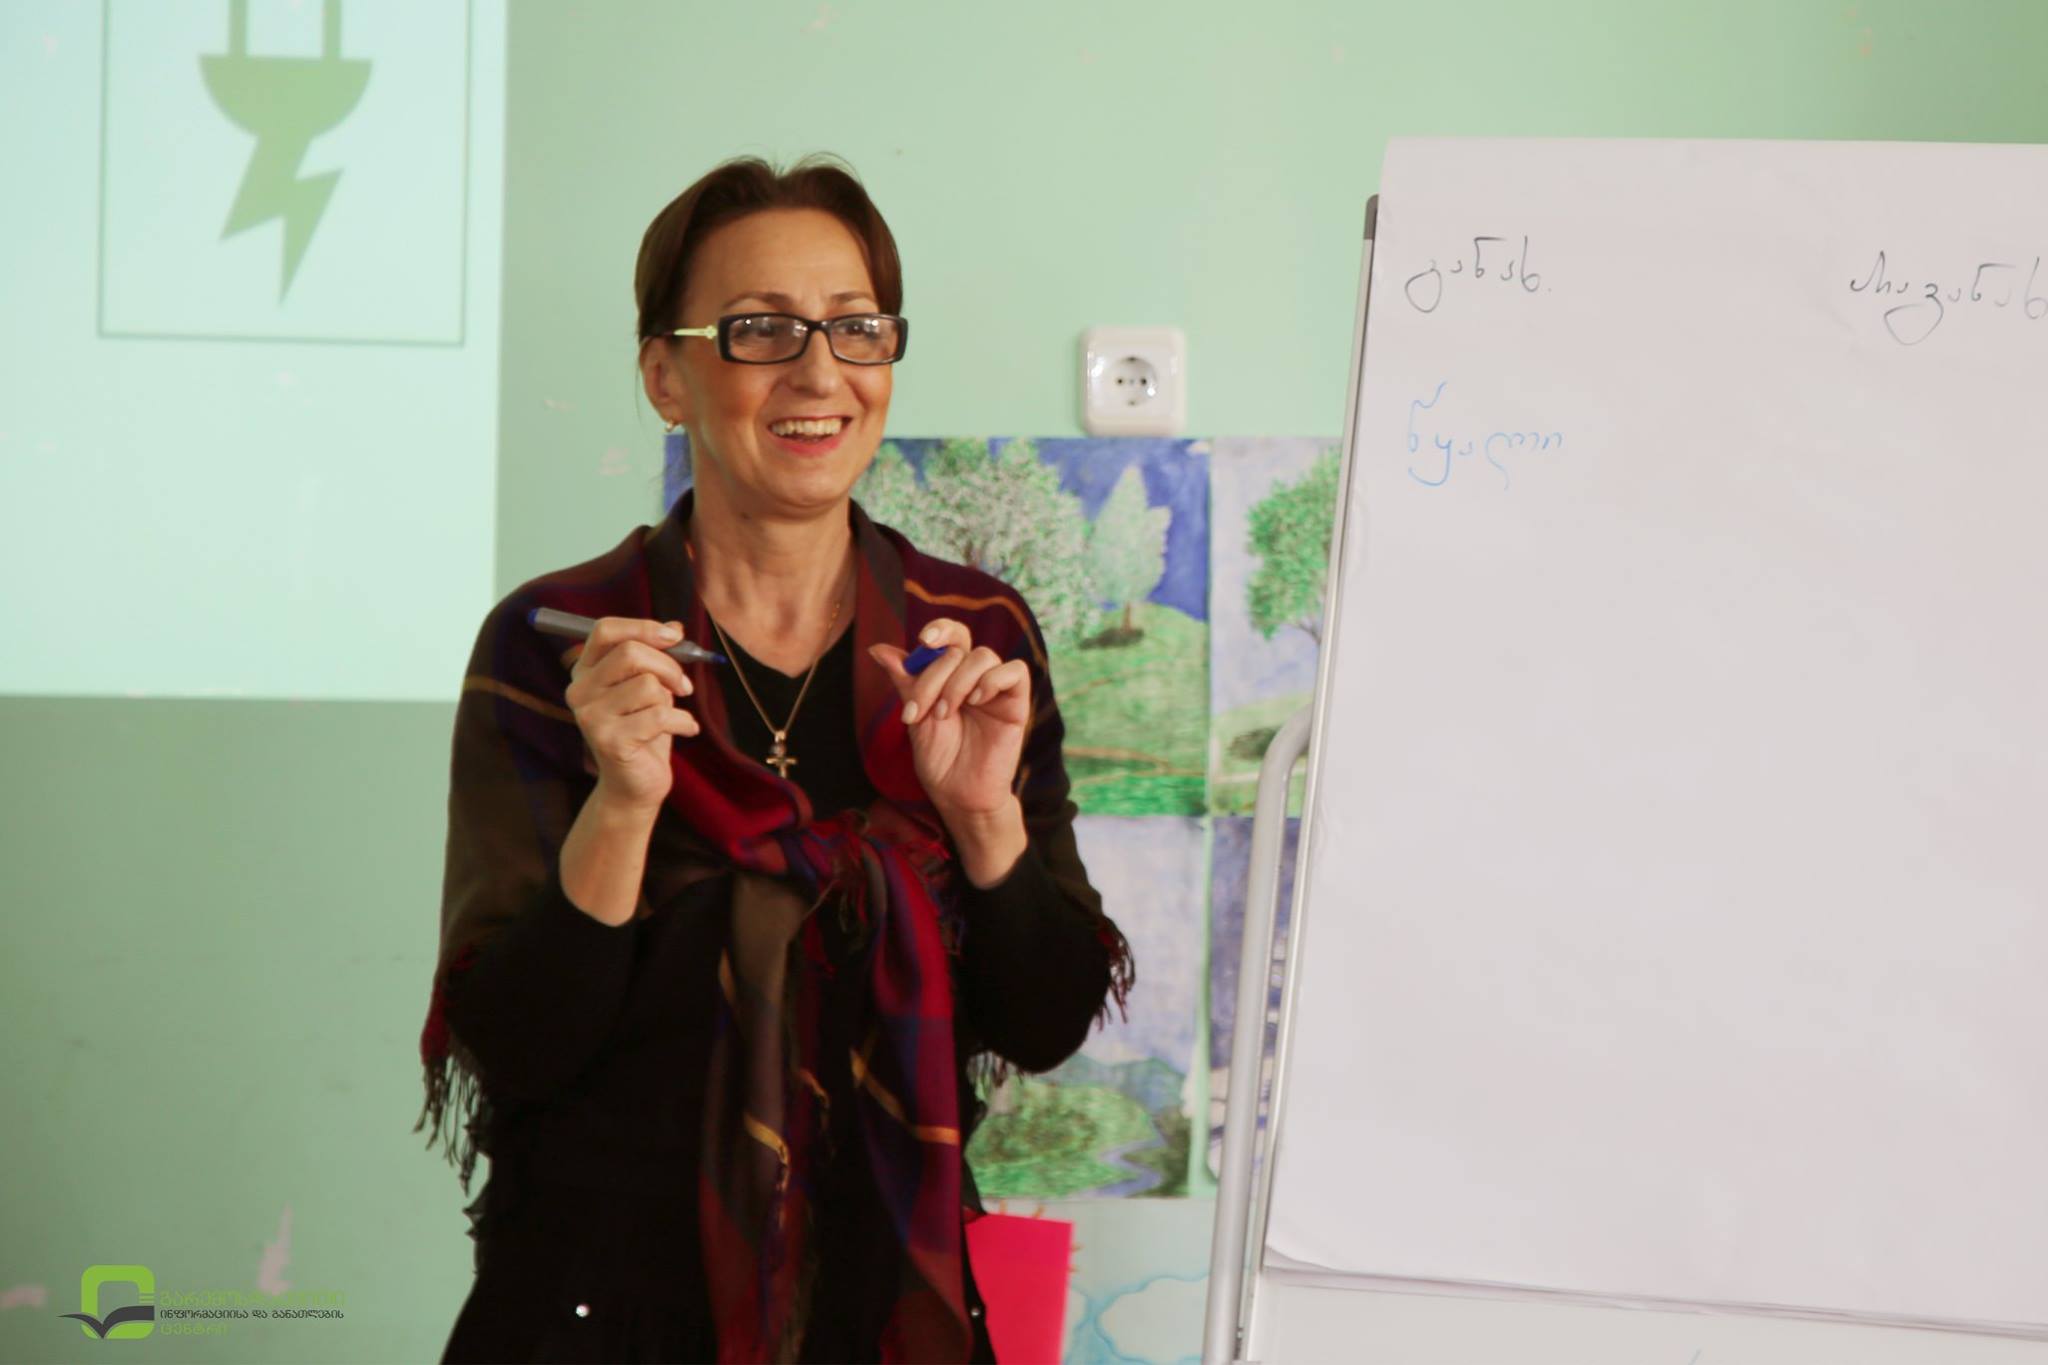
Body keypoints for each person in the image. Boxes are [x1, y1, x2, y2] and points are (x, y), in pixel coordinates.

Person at [413, 153, 1133, 1364]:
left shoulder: (972, 636)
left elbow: (1044, 1019)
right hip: (594, 1314)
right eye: (759, 329)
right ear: (665, 375)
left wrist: (982, 821)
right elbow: (518, 1046)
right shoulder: (564, 646)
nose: (818, 372)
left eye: (856, 328)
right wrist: (622, 806)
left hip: (886, 1311)